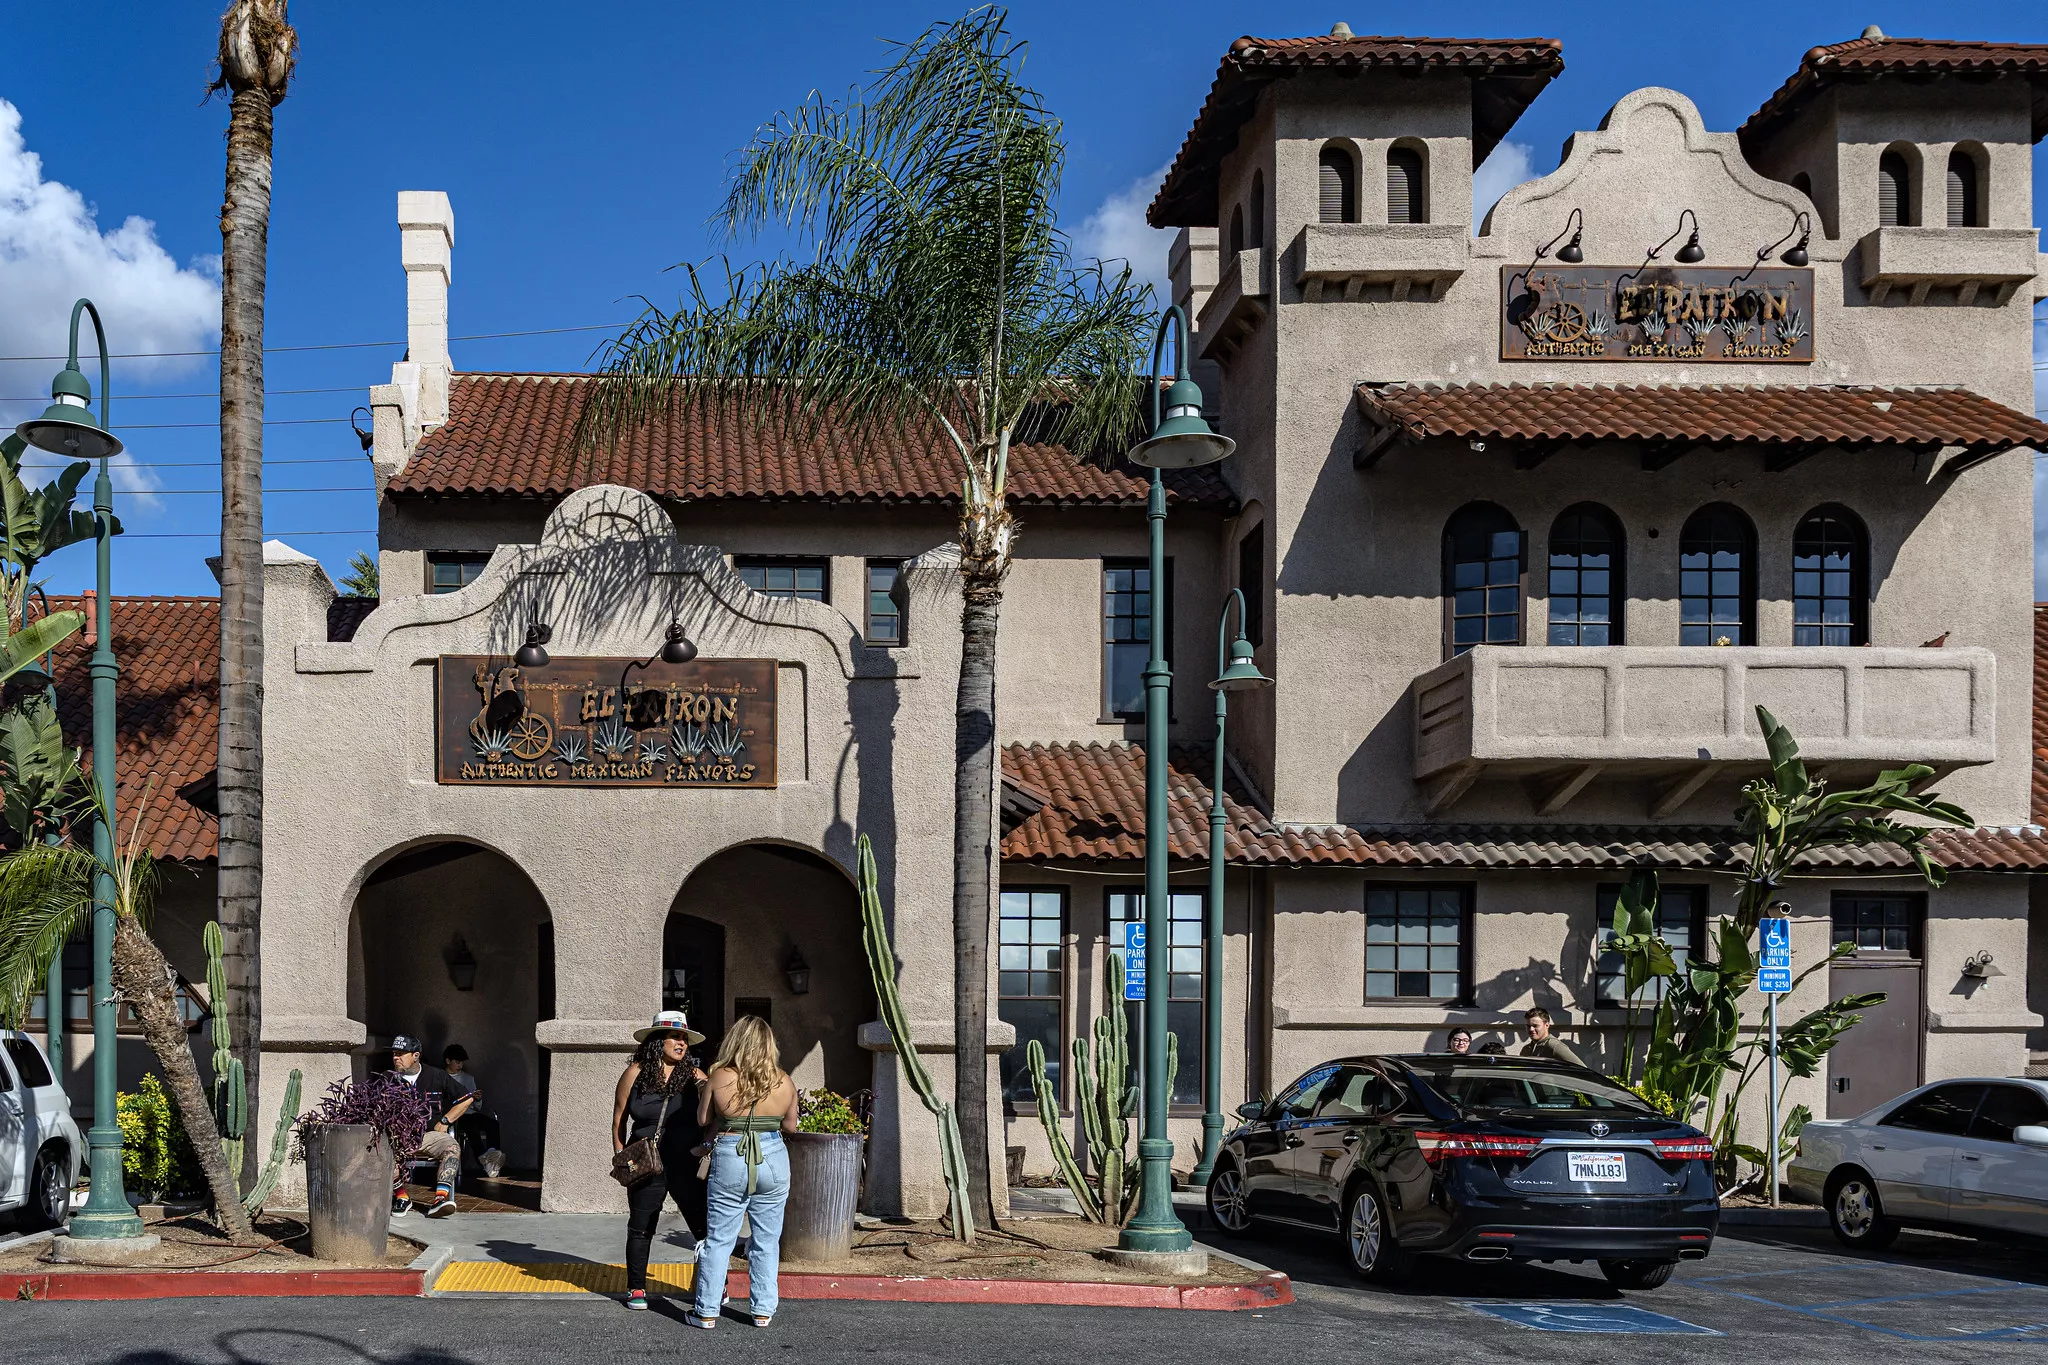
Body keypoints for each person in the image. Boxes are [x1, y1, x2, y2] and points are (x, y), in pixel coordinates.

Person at [689, 1014, 798, 1330]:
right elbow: (791, 1125)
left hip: (731, 1153)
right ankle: (762, 1311)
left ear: (735, 1042)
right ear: (769, 1045)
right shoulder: (784, 1080)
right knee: (767, 1239)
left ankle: (706, 1312)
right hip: (774, 1156)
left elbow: (702, 1119)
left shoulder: (719, 1077)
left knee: (719, 1239)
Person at [612, 1009, 710, 1312]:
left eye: (684, 1038)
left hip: (685, 1162)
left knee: (704, 1228)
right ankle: (636, 1288)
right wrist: (621, 1157)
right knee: (641, 1227)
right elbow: (618, 1120)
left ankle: (714, 1287)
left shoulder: (695, 1076)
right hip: (645, 1163)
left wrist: (705, 1147)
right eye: (675, 1037)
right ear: (658, 1041)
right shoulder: (635, 1072)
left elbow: (714, 1114)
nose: (681, 1043)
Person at [388, 1035, 472, 1218]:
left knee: (451, 1146)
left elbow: (467, 1098)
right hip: (396, 1137)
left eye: (401, 1053)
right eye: (394, 1053)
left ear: (416, 1055)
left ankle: (440, 1199)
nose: (396, 1057)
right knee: (379, 1150)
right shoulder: (387, 1078)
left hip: (428, 1135)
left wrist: (445, 1121)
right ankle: (401, 1197)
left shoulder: (436, 1075)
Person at [441, 1044, 504, 1179]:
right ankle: (484, 1160)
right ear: (448, 1061)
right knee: (471, 1126)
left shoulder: (468, 1079)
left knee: (492, 1124)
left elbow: (477, 1108)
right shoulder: (440, 1077)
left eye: (462, 1062)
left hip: (469, 1113)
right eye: (457, 1062)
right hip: (453, 1115)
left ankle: (491, 1156)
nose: (460, 1066)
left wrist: (477, 1099)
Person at [1519, 1007, 1586, 1067]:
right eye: (1528, 1026)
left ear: (1547, 1025)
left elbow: (1582, 1069)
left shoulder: (1554, 1046)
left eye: (1535, 1026)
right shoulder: (1526, 1049)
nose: (1531, 1029)